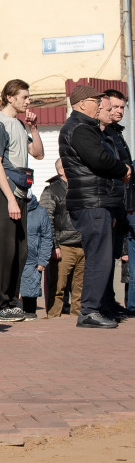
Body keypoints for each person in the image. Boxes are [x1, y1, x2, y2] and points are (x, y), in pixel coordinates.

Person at [57, 83, 131, 328]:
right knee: (98, 256)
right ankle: (89, 311)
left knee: (102, 256)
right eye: (95, 100)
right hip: (92, 201)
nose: (100, 104)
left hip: (98, 199)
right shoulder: (79, 128)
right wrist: (122, 169)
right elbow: (99, 159)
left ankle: (98, 307)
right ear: (81, 104)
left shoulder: (88, 128)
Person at [0, 79, 44, 320]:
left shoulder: (19, 125)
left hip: (21, 193)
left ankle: (11, 301)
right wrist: (10, 198)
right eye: (24, 97)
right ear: (10, 97)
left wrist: (33, 128)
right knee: (3, 250)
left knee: (20, 250)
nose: (28, 101)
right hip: (4, 194)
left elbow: (38, 154)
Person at [100, 90, 133, 317]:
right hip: (109, 201)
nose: (118, 111)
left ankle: (110, 301)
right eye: (114, 107)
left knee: (114, 254)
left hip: (122, 202)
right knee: (104, 255)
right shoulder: (102, 133)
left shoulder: (117, 133)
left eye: (122, 107)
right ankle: (103, 302)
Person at [40, 160, 84, 318]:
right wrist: (53, 246)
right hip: (63, 245)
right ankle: (53, 317)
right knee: (58, 286)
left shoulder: (81, 187)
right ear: (61, 170)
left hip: (83, 243)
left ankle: (77, 318)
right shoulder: (51, 190)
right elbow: (46, 220)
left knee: (80, 288)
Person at [20, 192, 53, 317]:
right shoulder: (12, 208)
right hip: (15, 261)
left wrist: (43, 260)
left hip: (32, 262)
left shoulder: (41, 212)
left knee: (30, 297)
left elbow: (47, 237)